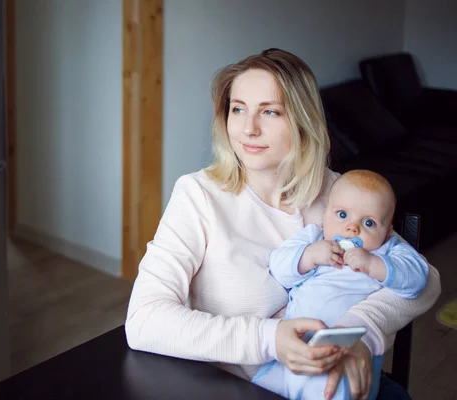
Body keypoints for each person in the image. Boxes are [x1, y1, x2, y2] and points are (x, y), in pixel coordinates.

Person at [124, 48, 441, 400]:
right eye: (238, 109)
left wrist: (360, 335)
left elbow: (425, 280)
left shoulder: (335, 190)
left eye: (269, 111)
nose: (248, 128)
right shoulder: (198, 195)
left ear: (302, 120)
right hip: (239, 385)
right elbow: (144, 320)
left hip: (335, 375)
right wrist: (269, 338)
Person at [251, 169, 429, 399]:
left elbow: (418, 279)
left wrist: (373, 264)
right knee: (259, 387)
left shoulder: (388, 250)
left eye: (369, 222)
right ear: (325, 214)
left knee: (329, 391)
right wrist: (308, 257)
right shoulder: (314, 237)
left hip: (347, 356)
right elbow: (278, 268)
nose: (352, 228)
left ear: (387, 231)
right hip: (293, 352)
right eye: (342, 215)